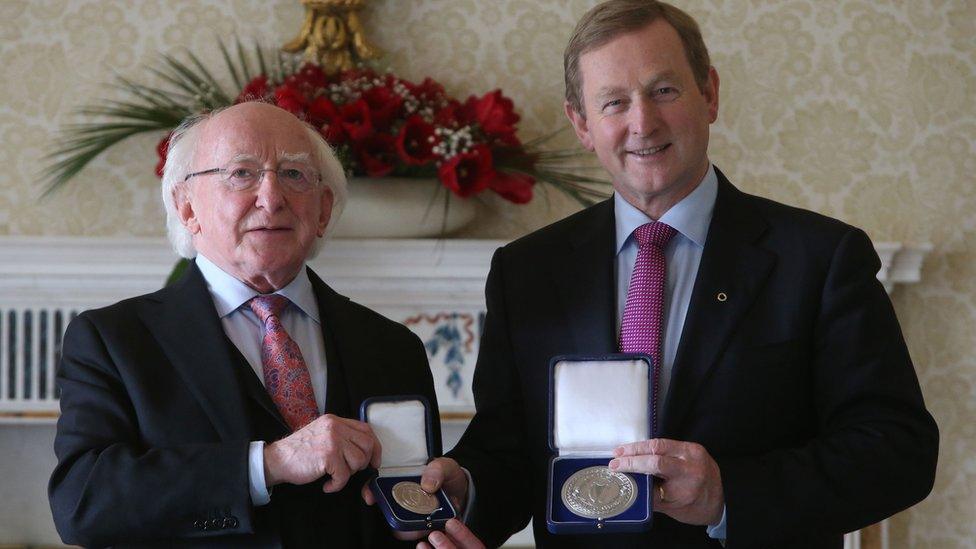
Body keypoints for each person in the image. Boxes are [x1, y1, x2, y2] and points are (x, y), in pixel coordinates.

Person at [418, 1, 939, 547]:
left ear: (709, 93)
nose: (642, 122)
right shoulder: (525, 271)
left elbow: (898, 450)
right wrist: (467, 486)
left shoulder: (820, 259)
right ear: (582, 124)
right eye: (614, 102)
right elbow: (508, 451)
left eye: (663, 91)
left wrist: (728, 493)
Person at [48, 102, 440, 547]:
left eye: (294, 174)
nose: (272, 198)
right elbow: (83, 503)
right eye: (241, 173)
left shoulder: (393, 346)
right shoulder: (113, 341)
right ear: (187, 208)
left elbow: (412, 509)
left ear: (323, 209)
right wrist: (266, 464)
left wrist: (436, 516)